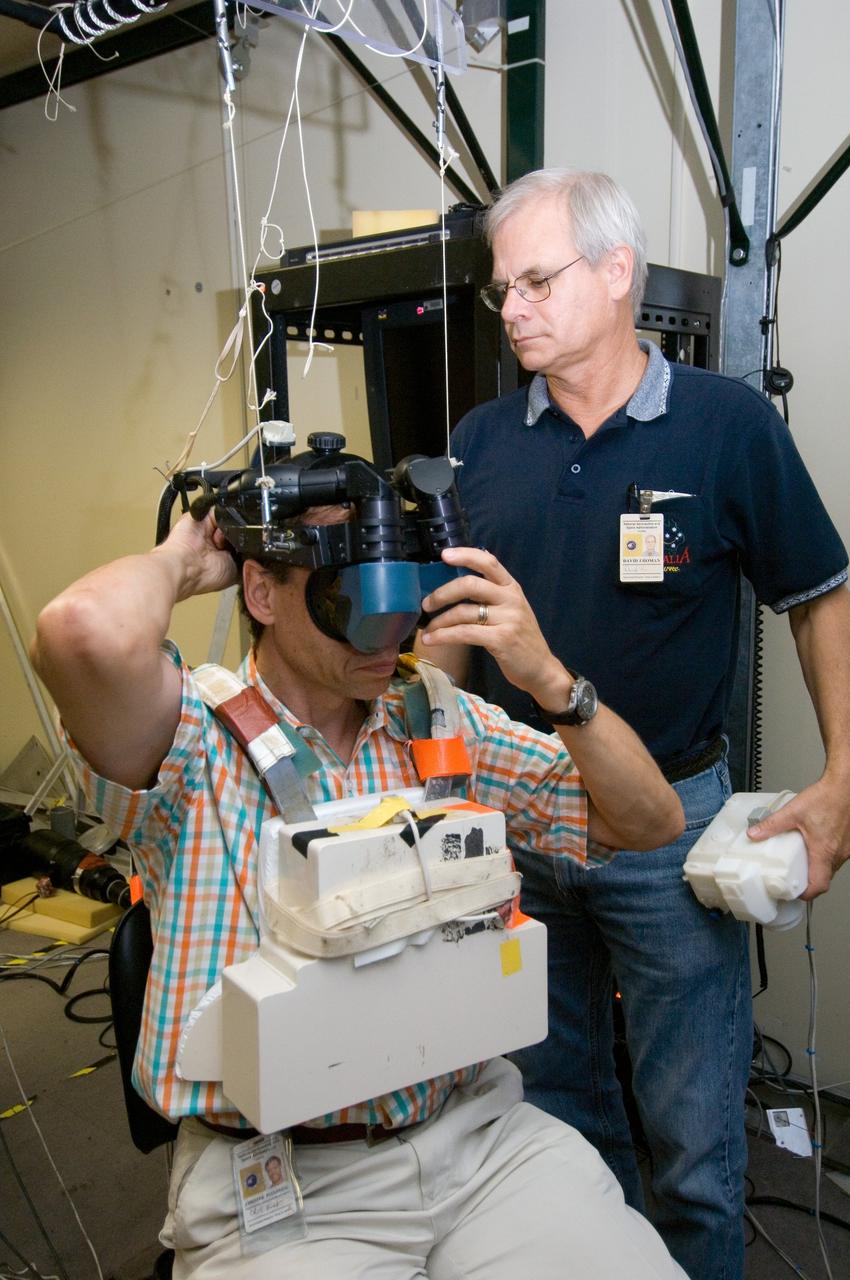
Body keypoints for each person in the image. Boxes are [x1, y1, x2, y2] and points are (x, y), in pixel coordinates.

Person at [31, 505, 686, 1280]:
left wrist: (550, 679)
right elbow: (79, 630)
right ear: (264, 594)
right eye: (351, 594)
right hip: (288, 1180)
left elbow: (649, 821)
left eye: (400, 591)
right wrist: (184, 561)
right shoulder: (188, 739)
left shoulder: (438, 717)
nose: (390, 628)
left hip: (478, 1140)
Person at [417, 166, 850, 1280]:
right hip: (520, 827)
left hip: (668, 825)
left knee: (692, 1136)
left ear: (618, 274)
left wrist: (844, 777)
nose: (510, 307)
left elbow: (819, 598)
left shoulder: (724, 428)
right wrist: (418, 782)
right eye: (499, 289)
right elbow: (444, 639)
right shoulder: (480, 441)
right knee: (549, 1110)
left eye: (534, 281)